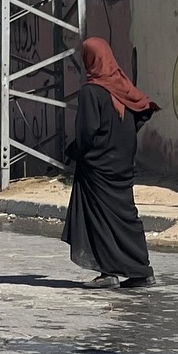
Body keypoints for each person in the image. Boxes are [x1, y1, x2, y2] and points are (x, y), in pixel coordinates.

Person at [63, 37, 157, 288]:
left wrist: (73, 152)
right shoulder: (121, 85)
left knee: (100, 217)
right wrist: (123, 135)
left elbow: (86, 132)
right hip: (122, 162)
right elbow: (144, 109)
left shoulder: (91, 91)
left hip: (98, 165)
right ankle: (141, 270)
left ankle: (108, 273)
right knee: (125, 215)